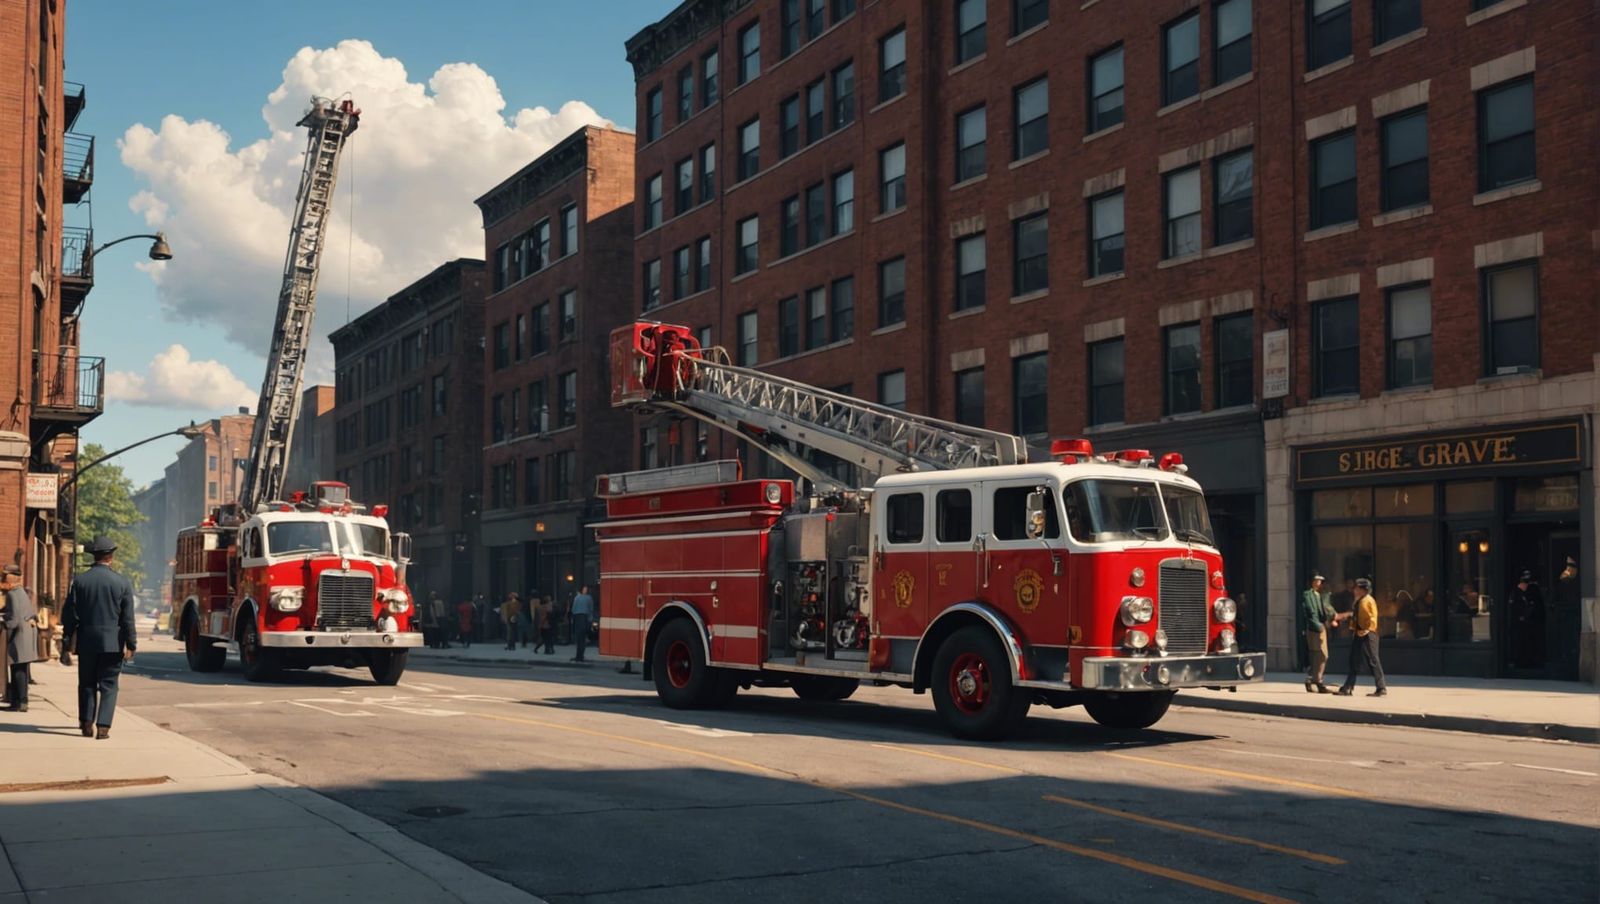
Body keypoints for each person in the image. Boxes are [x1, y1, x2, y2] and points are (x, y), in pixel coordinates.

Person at [60, 537, 138, 738]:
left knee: (86, 683)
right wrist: (131, 643)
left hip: (87, 641)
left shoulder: (80, 581)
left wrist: (67, 639)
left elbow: (70, 615)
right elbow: (127, 618)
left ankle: (86, 722)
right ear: (111, 556)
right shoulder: (122, 582)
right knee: (110, 685)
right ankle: (103, 727)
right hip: (113, 642)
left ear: (93, 556)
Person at [1335, 577, 1387, 697]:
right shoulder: (1360, 600)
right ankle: (1348, 687)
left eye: (1357, 588)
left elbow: (1372, 617)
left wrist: (1368, 630)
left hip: (1368, 634)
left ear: (1363, 589)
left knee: (1373, 660)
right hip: (1359, 633)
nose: (1354, 589)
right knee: (1354, 660)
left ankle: (1381, 688)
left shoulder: (1368, 600)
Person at [3, 564, 39, 712]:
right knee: (22, 668)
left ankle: (19, 702)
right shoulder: (21, 592)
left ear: (9, 578)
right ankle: (21, 701)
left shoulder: (12, 594)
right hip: (27, 633)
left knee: (17, 668)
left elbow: (15, 619)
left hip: (19, 634)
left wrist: (5, 622)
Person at [1299, 572, 1334, 694]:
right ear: (1312, 581)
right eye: (1317, 580)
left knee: (1319, 655)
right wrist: (1319, 626)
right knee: (1320, 655)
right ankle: (1317, 681)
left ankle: (1313, 679)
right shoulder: (1308, 594)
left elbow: (1322, 611)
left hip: (1321, 626)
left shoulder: (1319, 595)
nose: (1319, 582)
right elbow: (1310, 612)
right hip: (1315, 629)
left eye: (1320, 580)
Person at [1508, 570, 1545, 668]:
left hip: (1528, 623)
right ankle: (1519, 660)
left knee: (1527, 641)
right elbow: (1514, 608)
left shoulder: (1530, 592)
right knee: (1520, 641)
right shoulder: (1516, 593)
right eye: (1523, 584)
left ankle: (1527, 660)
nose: (1525, 586)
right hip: (1519, 623)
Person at [569, 585, 595, 662]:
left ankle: (578, 656)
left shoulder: (577, 597)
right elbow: (591, 609)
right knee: (582, 638)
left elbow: (573, 609)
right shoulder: (589, 598)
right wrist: (590, 620)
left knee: (579, 638)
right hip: (584, 618)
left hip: (578, 617)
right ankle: (580, 656)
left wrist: (572, 619)